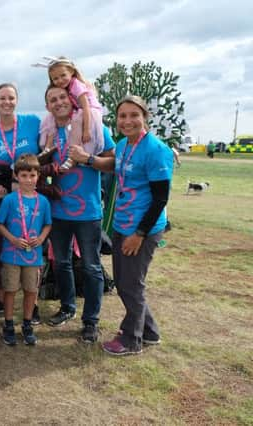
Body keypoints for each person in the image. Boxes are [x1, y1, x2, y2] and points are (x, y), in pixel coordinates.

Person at [42, 85, 116, 344]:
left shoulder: (92, 125)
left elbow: (114, 161)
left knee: (91, 266)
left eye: (63, 97)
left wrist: (88, 159)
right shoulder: (48, 133)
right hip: (58, 211)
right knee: (60, 263)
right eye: (53, 99)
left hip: (88, 212)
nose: (59, 102)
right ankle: (67, 307)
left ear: (72, 99)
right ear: (48, 106)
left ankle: (91, 321)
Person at [101, 95, 173, 356]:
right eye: (122, 116)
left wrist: (140, 234)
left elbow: (160, 198)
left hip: (142, 229)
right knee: (125, 282)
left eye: (134, 115)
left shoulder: (156, 150)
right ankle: (150, 331)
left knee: (132, 285)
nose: (127, 120)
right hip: (122, 223)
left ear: (145, 117)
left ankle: (132, 339)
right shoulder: (122, 146)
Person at [0, 83, 41, 317]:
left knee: (33, 246)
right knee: (3, 245)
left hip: (31, 194)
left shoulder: (32, 122)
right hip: (4, 198)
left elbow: (45, 150)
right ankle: (0, 297)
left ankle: (32, 303)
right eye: (2, 98)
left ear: (17, 100)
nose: (7, 102)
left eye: (11, 98)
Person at [0, 154, 51, 346]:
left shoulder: (43, 201)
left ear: (38, 177)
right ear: (16, 176)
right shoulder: (10, 200)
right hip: (12, 255)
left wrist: (42, 238)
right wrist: (12, 239)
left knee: (30, 290)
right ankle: (8, 324)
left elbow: (47, 224)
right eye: (24, 175)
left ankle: (27, 324)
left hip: (33, 256)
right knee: (10, 290)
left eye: (32, 175)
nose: (28, 179)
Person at [39, 57, 105, 171]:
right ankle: (47, 148)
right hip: (80, 111)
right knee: (49, 120)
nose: (60, 80)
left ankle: (72, 158)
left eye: (63, 75)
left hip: (89, 112)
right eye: (55, 78)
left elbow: (86, 107)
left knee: (76, 120)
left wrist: (86, 130)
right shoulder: (68, 86)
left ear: (72, 72)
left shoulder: (76, 85)